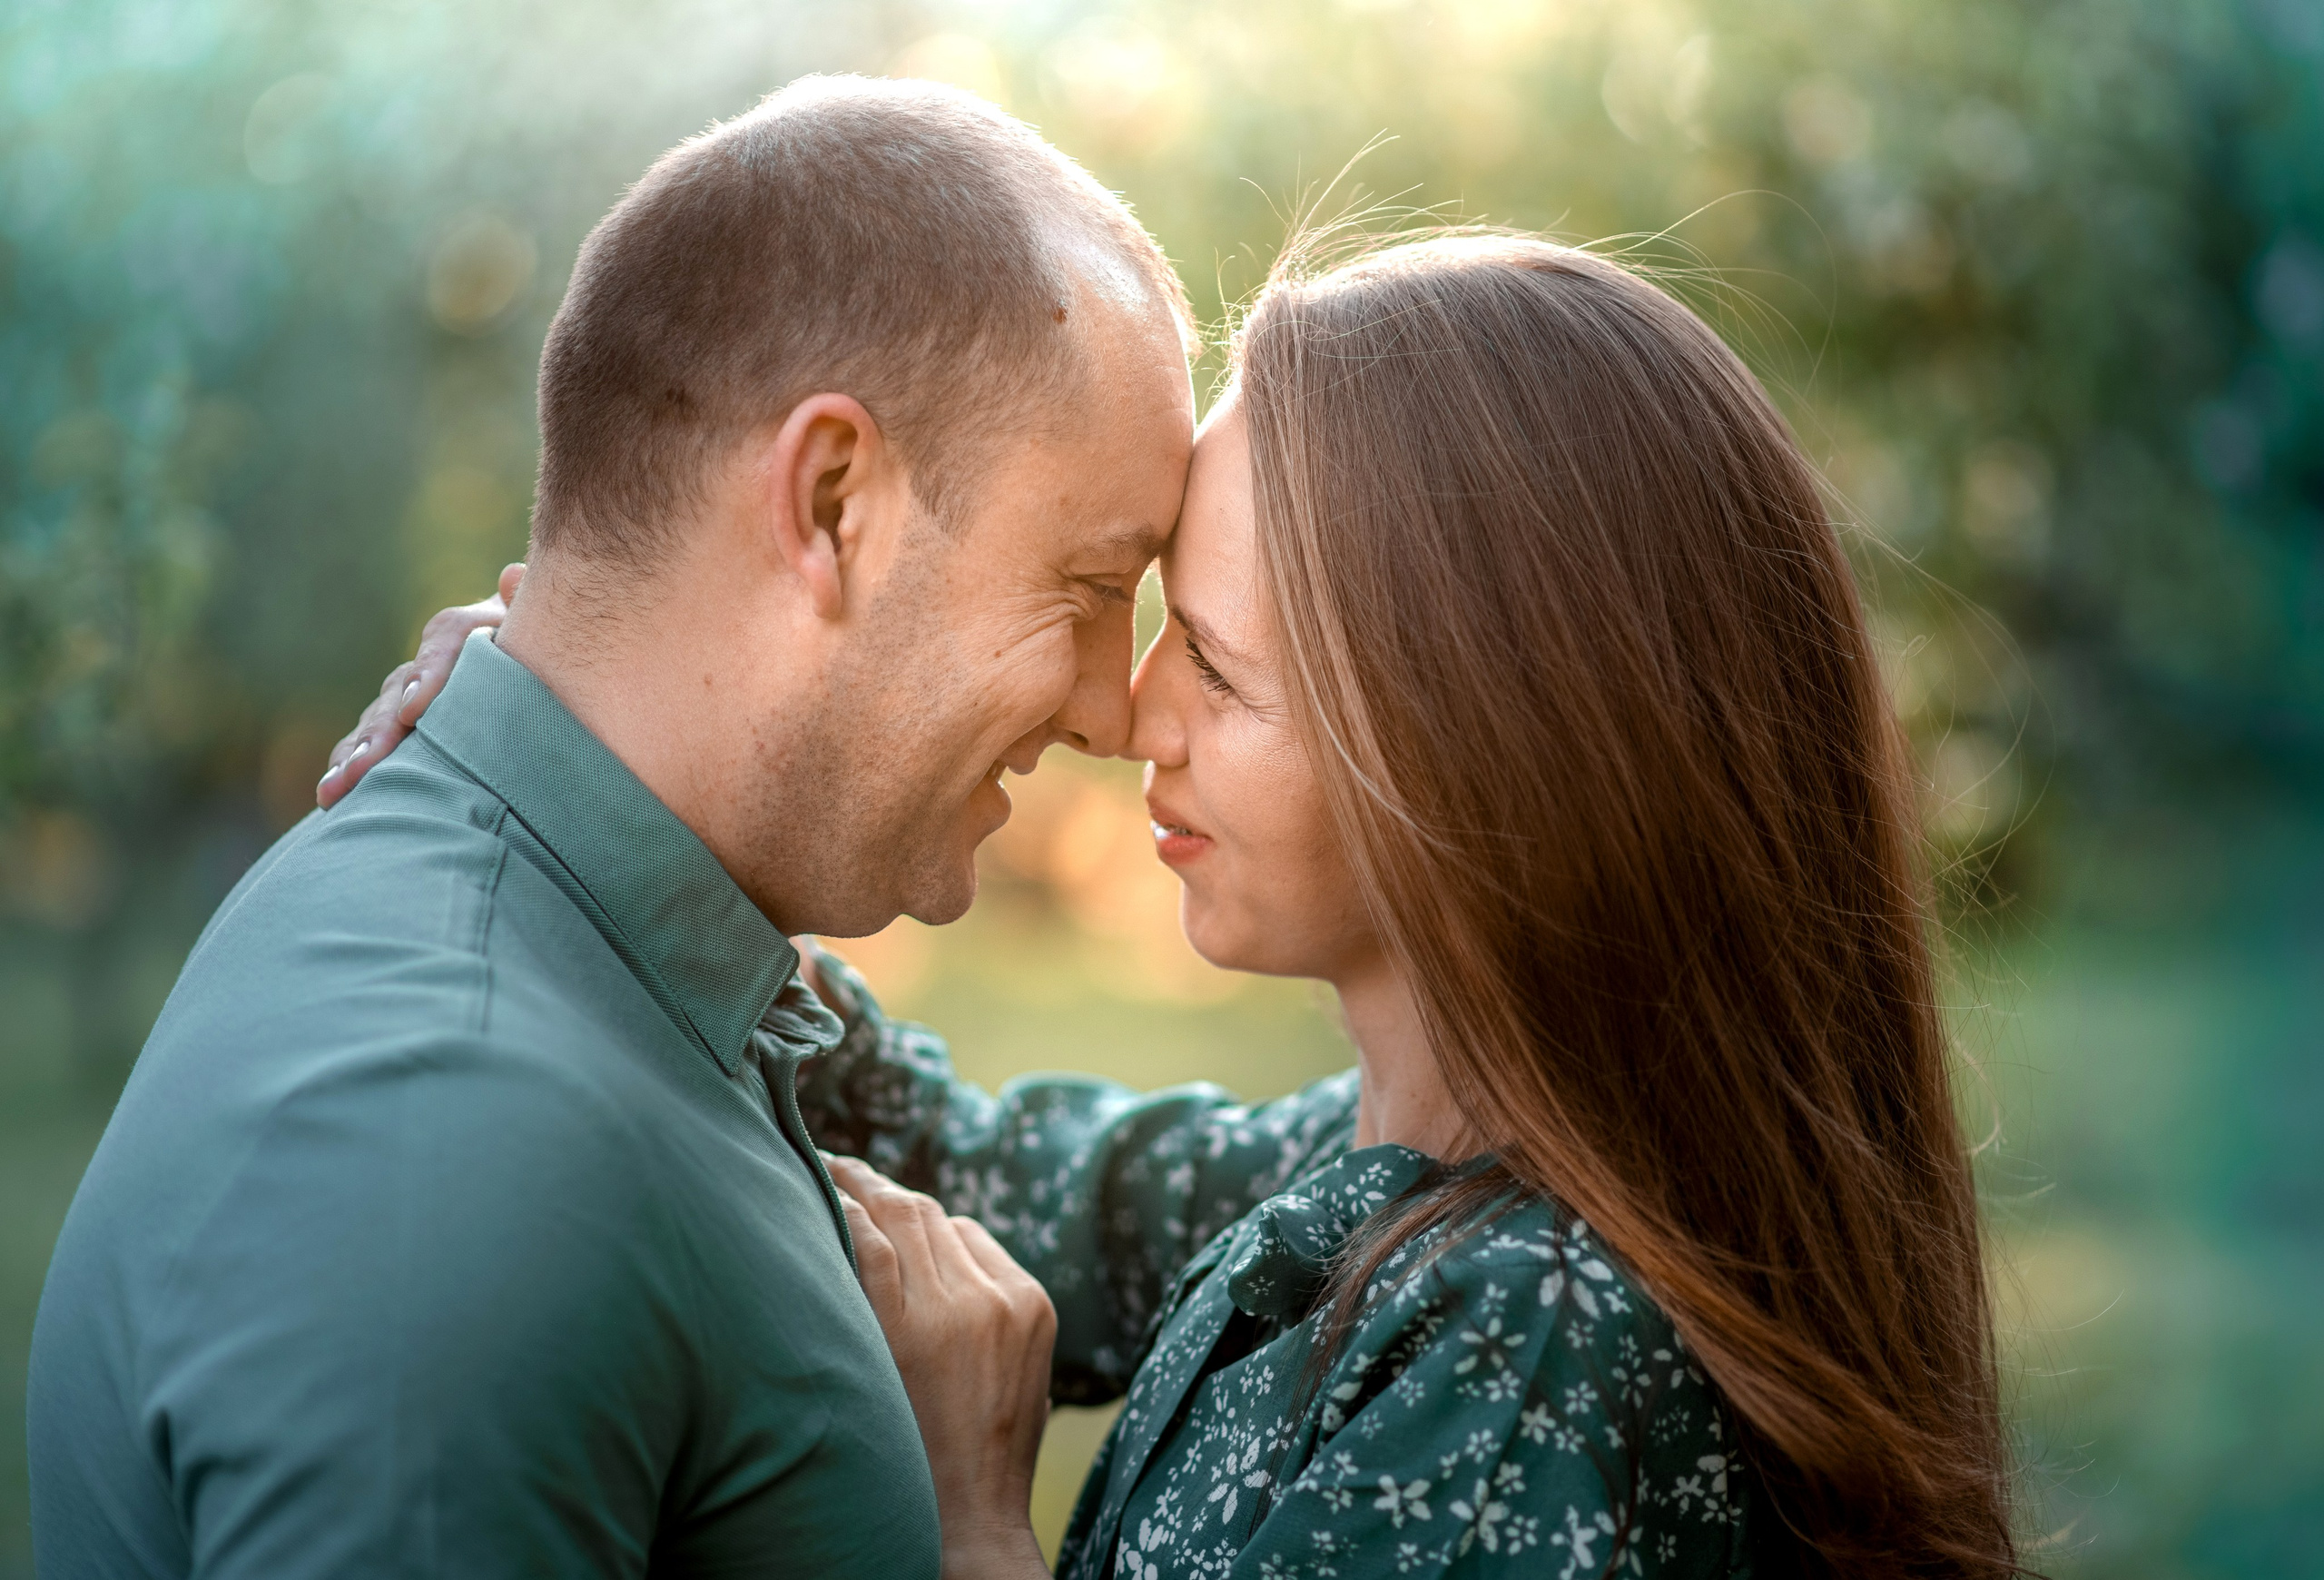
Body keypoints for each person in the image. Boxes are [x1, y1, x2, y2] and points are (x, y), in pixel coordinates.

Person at [369, 234, 2022, 1577]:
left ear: (1480, 749)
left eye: (1217, 668)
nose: (1130, 715)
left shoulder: (1531, 1357)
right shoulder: (1379, 1176)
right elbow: (959, 1164)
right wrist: (625, 696)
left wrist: (966, 1527)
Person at [26, 75, 1196, 1579]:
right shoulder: (449, 1155)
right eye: (1094, 588)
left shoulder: (606, 951)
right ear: (835, 502)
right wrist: (971, 1547)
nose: (1113, 709)